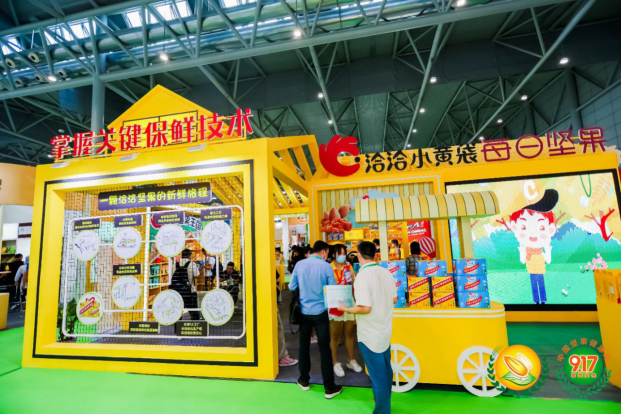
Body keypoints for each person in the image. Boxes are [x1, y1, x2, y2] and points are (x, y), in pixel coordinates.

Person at [339, 241, 397, 415]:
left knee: (378, 377)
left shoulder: (362, 276)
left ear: (358, 255)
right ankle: (381, 400)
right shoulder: (385, 272)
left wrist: (346, 309)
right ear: (375, 254)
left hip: (370, 334)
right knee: (386, 371)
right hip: (385, 330)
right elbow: (394, 299)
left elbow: (365, 308)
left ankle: (382, 410)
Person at [289, 241, 343, 399]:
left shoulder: (299, 265)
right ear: (324, 252)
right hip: (321, 313)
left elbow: (292, 286)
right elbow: (332, 289)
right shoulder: (326, 267)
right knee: (325, 349)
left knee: (303, 346)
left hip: (304, 312)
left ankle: (303, 380)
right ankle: (329, 387)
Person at [329, 244, 363, 378]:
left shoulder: (349, 267)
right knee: (334, 335)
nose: (342, 256)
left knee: (349, 332)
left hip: (348, 301)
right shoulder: (329, 268)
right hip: (334, 304)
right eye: (340, 253)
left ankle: (351, 360)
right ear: (333, 255)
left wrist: (353, 280)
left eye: (344, 253)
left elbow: (352, 284)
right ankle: (335, 362)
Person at [173, 249, 200, 320]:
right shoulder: (192, 264)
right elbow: (197, 276)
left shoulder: (175, 265)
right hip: (190, 292)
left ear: (182, 256)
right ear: (190, 256)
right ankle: (195, 326)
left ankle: (177, 327)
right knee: (194, 313)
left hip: (178, 293)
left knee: (178, 313)